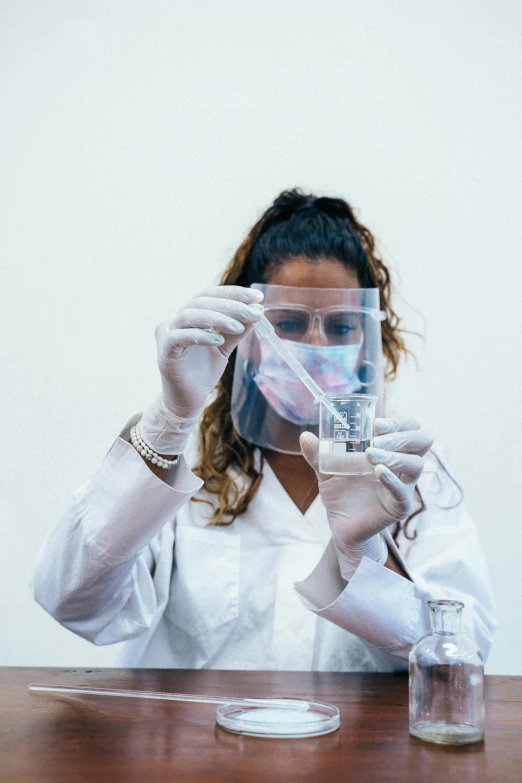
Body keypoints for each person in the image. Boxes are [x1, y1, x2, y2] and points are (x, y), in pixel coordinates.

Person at [32, 189, 496, 671]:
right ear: (247, 336)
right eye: (290, 322)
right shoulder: (184, 459)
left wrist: (367, 558)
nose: (316, 344)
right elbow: (69, 599)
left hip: (350, 749)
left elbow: (465, 654)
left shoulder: (411, 474)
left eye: (340, 327)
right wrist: (168, 421)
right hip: (192, 746)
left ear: (367, 341)